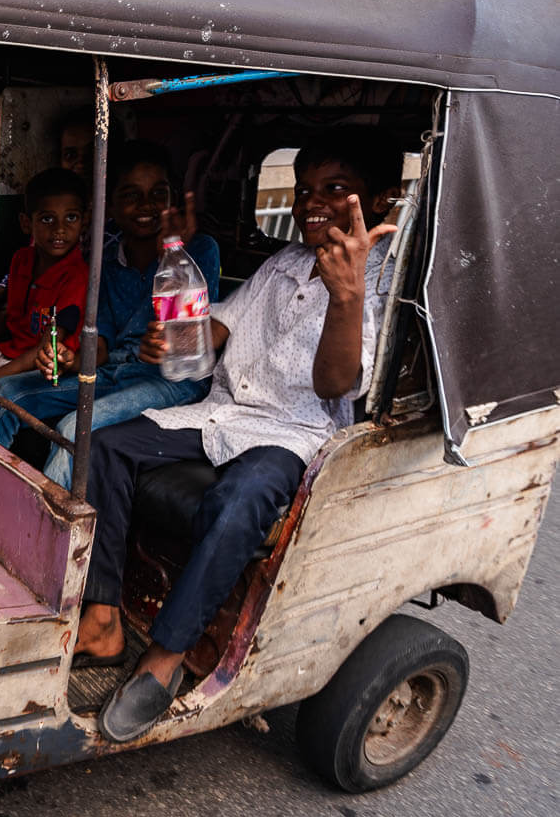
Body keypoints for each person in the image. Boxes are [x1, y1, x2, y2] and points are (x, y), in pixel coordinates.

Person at [77, 129, 405, 743]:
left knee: (239, 502)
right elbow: (214, 333)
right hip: (225, 413)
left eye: (335, 190)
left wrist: (347, 295)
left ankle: (165, 658)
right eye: (306, 189)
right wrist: (173, 341)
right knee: (104, 444)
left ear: (380, 199)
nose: (313, 203)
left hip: (296, 433)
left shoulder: (385, 283)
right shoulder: (282, 264)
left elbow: (336, 383)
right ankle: (102, 617)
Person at [0, 142, 219, 489]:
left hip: (170, 381)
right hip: (111, 371)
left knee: (75, 429)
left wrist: (173, 248)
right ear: (111, 206)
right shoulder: (105, 258)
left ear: (172, 198)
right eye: (132, 195)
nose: (147, 206)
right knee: (3, 394)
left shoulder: (198, 250)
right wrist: (70, 357)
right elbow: (101, 344)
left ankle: (45, 537)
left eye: (158, 194)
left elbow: (187, 338)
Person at [0, 167, 89, 419]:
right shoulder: (22, 260)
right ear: (26, 223)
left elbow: (46, 350)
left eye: (71, 218)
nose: (59, 229)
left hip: (34, 371)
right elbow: (12, 319)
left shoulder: (77, 276)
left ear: (84, 221)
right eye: (47, 219)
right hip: (2, 354)